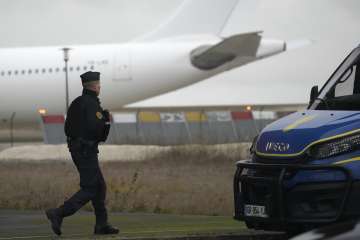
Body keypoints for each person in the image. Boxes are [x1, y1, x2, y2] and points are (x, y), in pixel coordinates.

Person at [45, 71, 119, 236]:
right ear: (95, 86)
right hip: (87, 151)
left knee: (99, 186)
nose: (100, 87)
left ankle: (101, 225)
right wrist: (106, 121)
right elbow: (99, 132)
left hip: (77, 149)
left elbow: (67, 128)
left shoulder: (76, 103)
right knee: (91, 187)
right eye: (99, 85)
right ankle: (58, 213)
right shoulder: (92, 104)